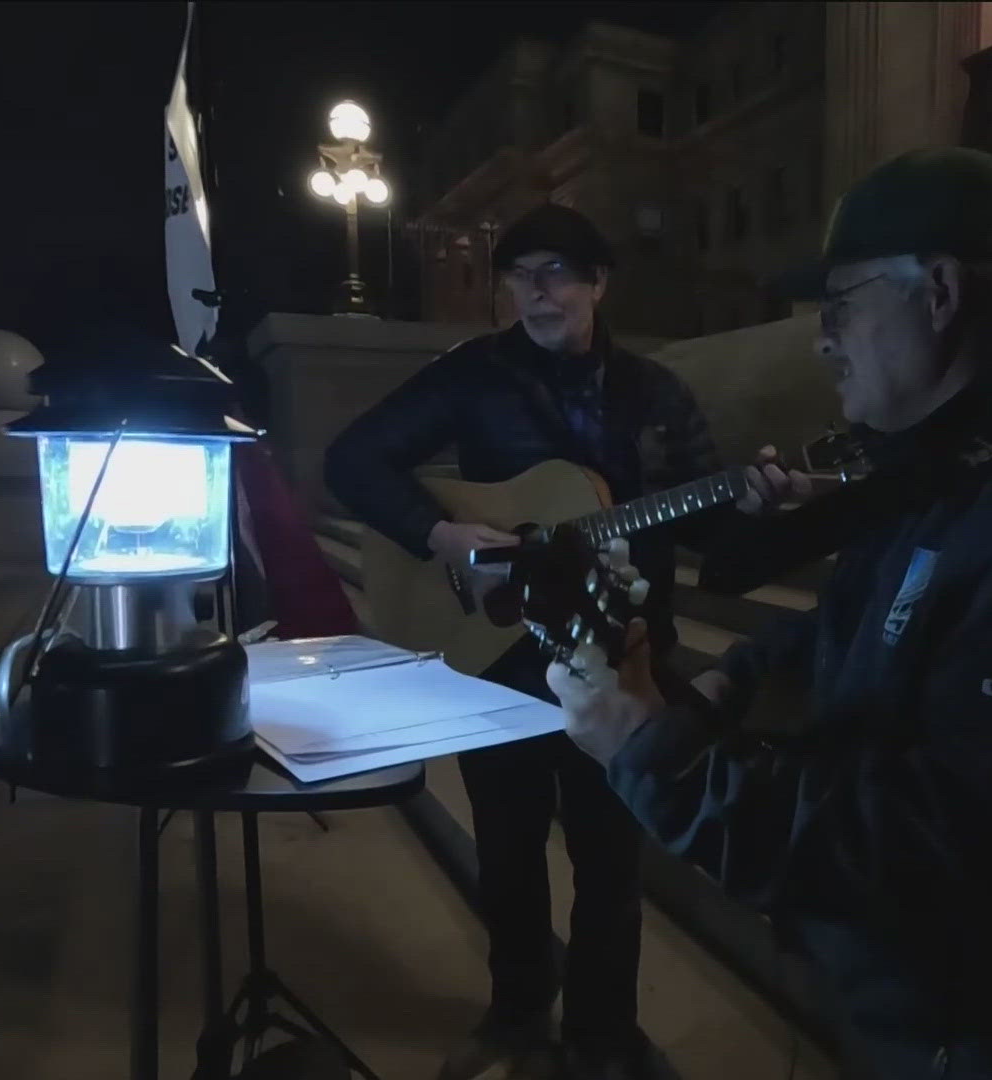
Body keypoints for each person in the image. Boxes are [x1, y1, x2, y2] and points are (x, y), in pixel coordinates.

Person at [548, 148, 992, 1079]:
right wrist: (715, 691)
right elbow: (846, 631)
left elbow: (940, 848)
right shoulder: (948, 476)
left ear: (940, 291)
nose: (822, 340)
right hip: (926, 1020)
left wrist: (650, 756)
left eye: (840, 306)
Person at [325, 204, 787, 1080]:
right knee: (504, 845)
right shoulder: (472, 376)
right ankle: (515, 1013)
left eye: (557, 273)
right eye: (520, 275)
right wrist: (439, 534)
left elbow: (714, 539)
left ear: (598, 284)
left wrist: (753, 505)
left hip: (621, 653)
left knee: (611, 861)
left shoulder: (657, 395)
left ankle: (604, 1036)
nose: (536, 293)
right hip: (496, 650)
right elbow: (353, 460)